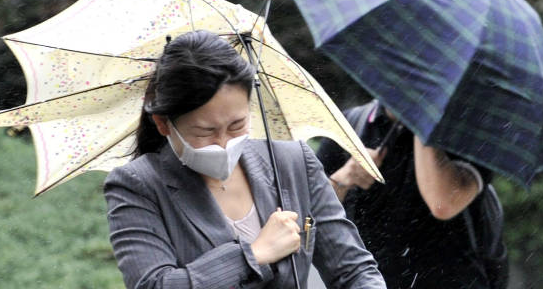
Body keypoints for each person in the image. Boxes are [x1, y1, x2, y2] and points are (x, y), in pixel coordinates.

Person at [103, 30, 386, 289]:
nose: (224, 143)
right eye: (205, 132)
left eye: (237, 125)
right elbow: (155, 285)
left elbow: (354, 271)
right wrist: (254, 254)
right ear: (164, 124)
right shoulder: (137, 186)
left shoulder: (293, 161)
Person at [317, 99, 497, 289]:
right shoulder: (348, 124)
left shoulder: (468, 132)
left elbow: (442, 204)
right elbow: (308, 212)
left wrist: (422, 122)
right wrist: (343, 178)